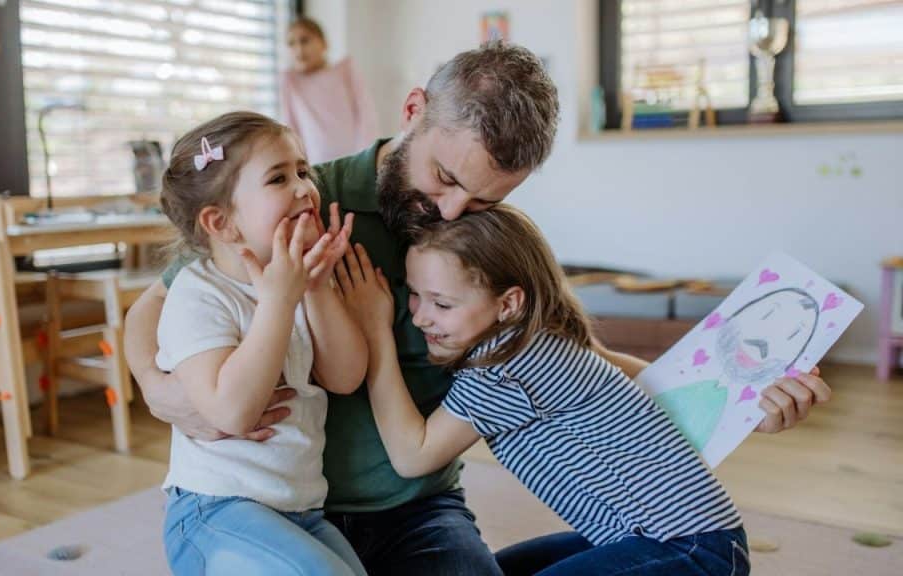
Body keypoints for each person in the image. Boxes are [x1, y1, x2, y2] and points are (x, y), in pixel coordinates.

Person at [126, 42, 830, 576]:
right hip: (287, 503)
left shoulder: (480, 241)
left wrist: (740, 393)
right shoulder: (303, 203)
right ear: (413, 112)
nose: (451, 211)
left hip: (419, 507)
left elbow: (573, 361)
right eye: (444, 178)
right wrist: (160, 388)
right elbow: (153, 309)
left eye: (486, 198)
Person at [336, 204, 750, 575]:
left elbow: (413, 456)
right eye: (415, 296)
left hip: (689, 548)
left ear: (508, 304)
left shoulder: (503, 364)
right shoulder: (536, 338)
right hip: (677, 538)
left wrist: (375, 330)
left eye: (442, 304)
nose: (421, 318)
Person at [155, 111, 368, 575]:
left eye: (303, 171)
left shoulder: (299, 281)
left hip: (300, 510)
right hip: (214, 511)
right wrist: (278, 301)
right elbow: (232, 413)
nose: (304, 188)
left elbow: (346, 377)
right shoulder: (199, 294)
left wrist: (317, 287)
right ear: (221, 222)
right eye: (278, 178)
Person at [281, 16, 378, 163]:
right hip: (316, 166)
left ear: (324, 44)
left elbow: (366, 115)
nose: (298, 49)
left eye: (305, 40)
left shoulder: (345, 71)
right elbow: (291, 128)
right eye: (291, 44)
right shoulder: (291, 82)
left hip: (355, 160)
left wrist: (365, 159)